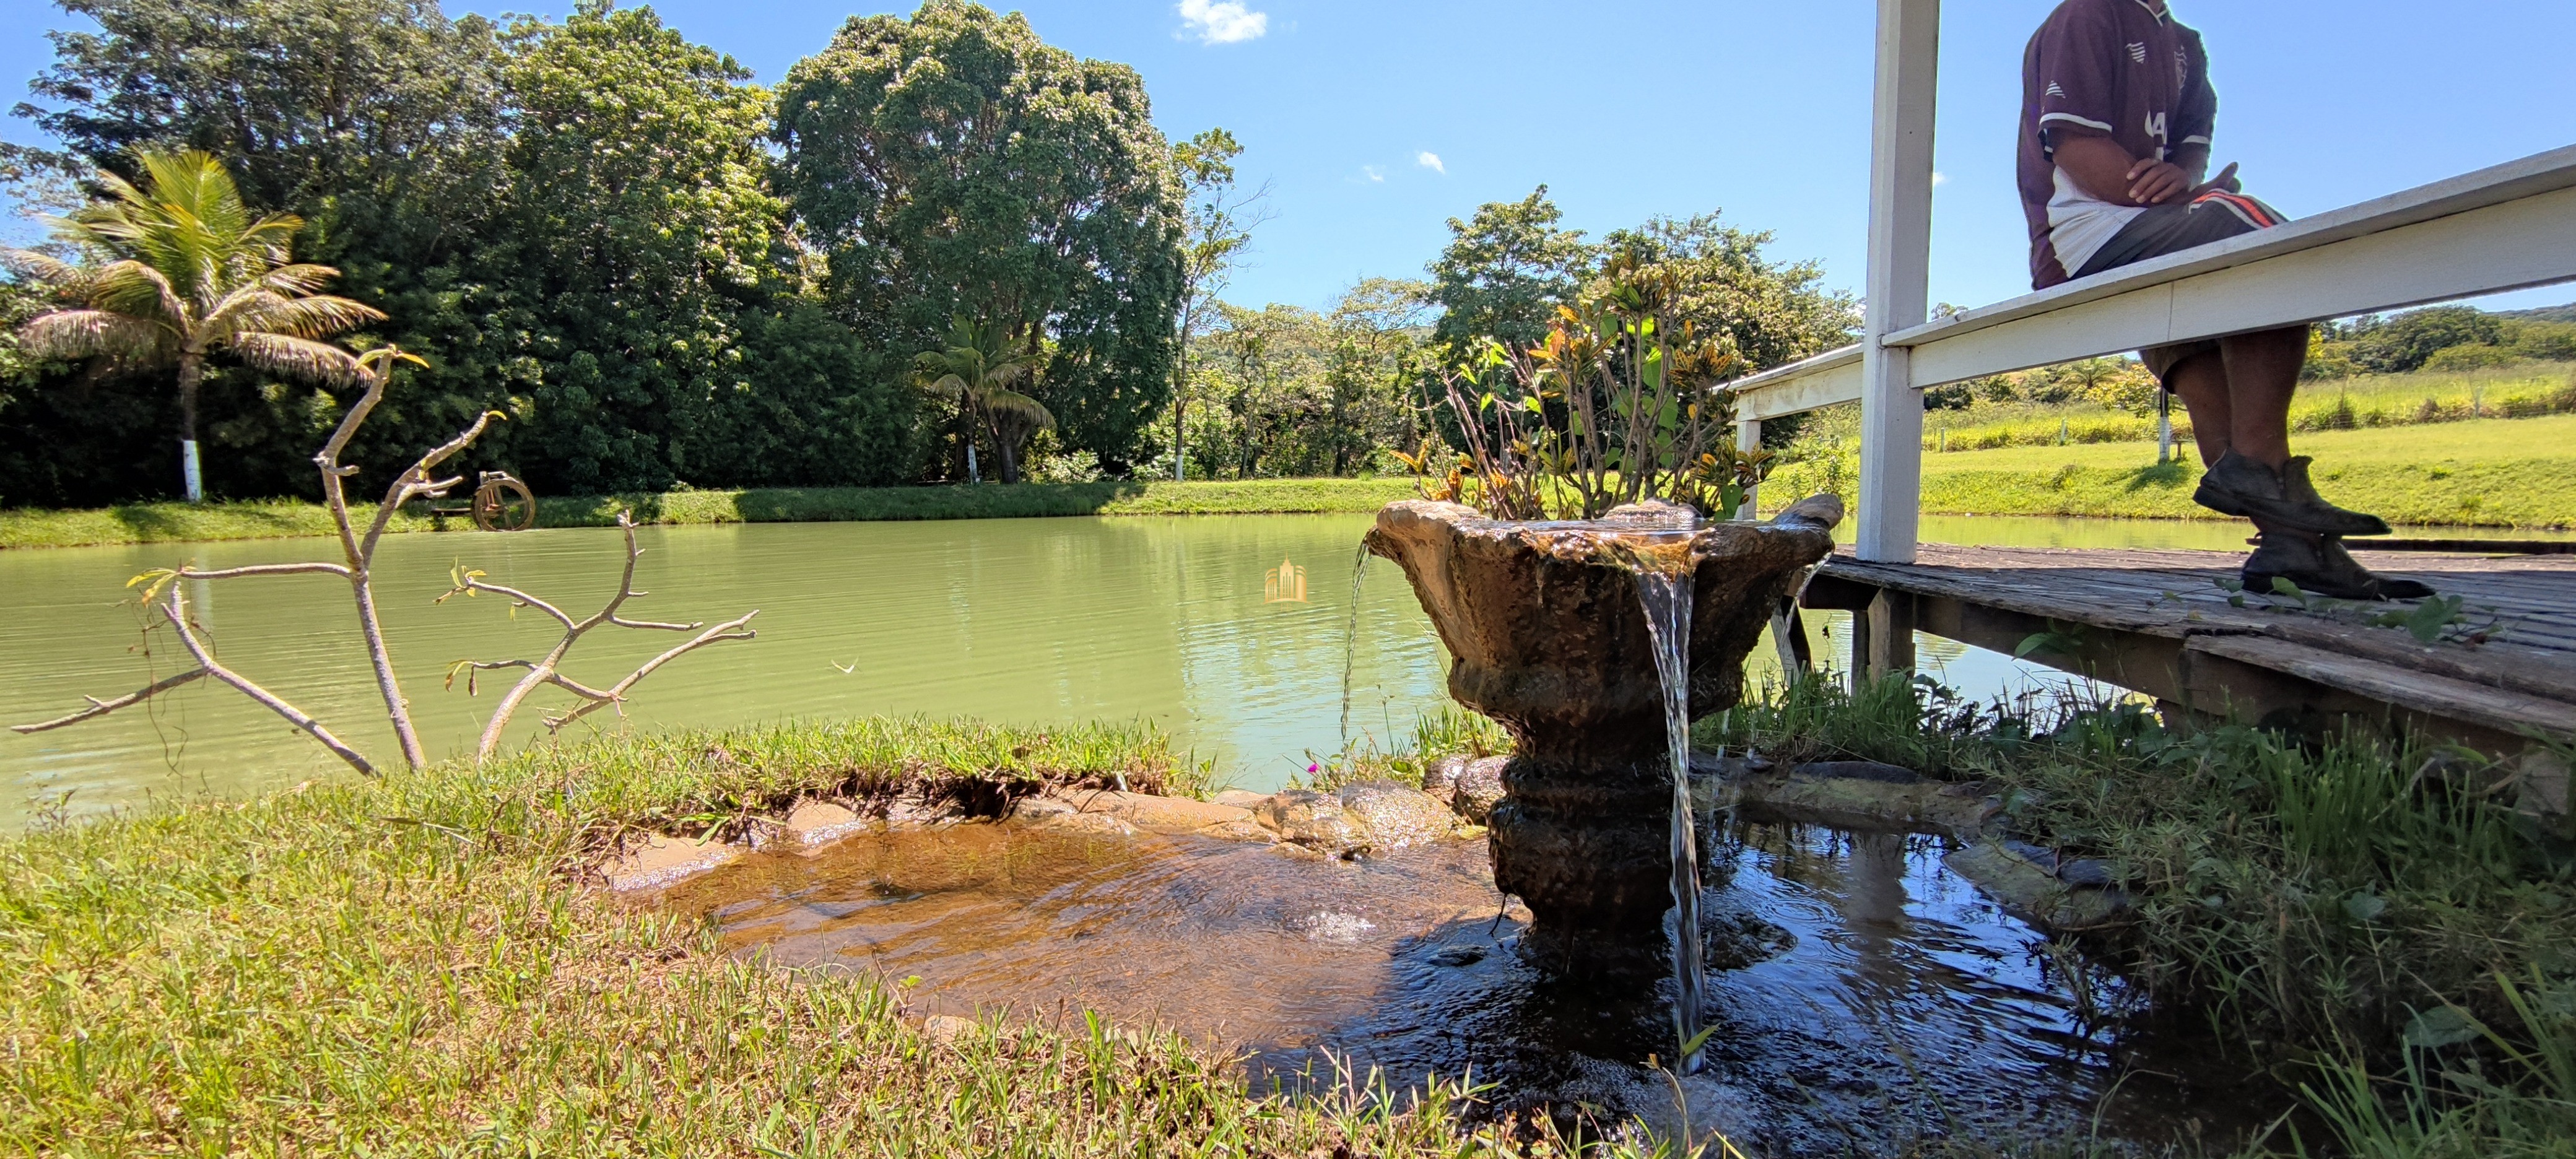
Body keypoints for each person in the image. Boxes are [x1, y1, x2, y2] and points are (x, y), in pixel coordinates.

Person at [2018, 0, 2430, 599]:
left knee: (2206, 372)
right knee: (2258, 229)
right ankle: (2258, 461)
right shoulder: (2087, 13)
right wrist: (2177, 196)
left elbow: (2190, 147)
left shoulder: (2184, 41)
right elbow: (2077, 149)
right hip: (2087, 228)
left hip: (2152, 227)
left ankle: (2292, 549)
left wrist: (2185, 177)